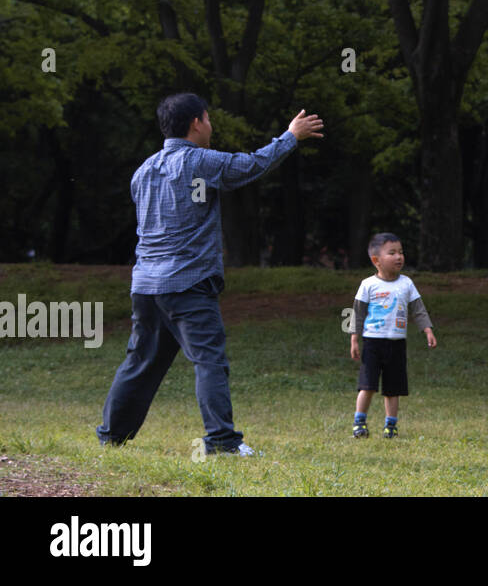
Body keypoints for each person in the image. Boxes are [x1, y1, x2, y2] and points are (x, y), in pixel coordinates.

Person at [96, 93, 324, 455]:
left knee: (140, 361)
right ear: (196, 123)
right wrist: (290, 136)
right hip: (187, 284)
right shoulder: (199, 161)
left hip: (145, 285)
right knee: (210, 361)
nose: (211, 125)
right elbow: (251, 166)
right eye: (209, 118)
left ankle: (112, 436)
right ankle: (221, 442)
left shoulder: (143, 171)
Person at [350, 232, 436, 438]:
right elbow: (358, 313)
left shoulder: (406, 284)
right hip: (372, 343)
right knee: (367, 385)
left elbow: (418, 309)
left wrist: (428, 330)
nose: (399, 257)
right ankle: (359, 421)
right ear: (376, 260)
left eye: (401, 252)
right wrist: (354, 339)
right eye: (392, 253)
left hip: (397, 344)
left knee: (393, 387)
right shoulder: (368, 284)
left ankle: (391, 425)